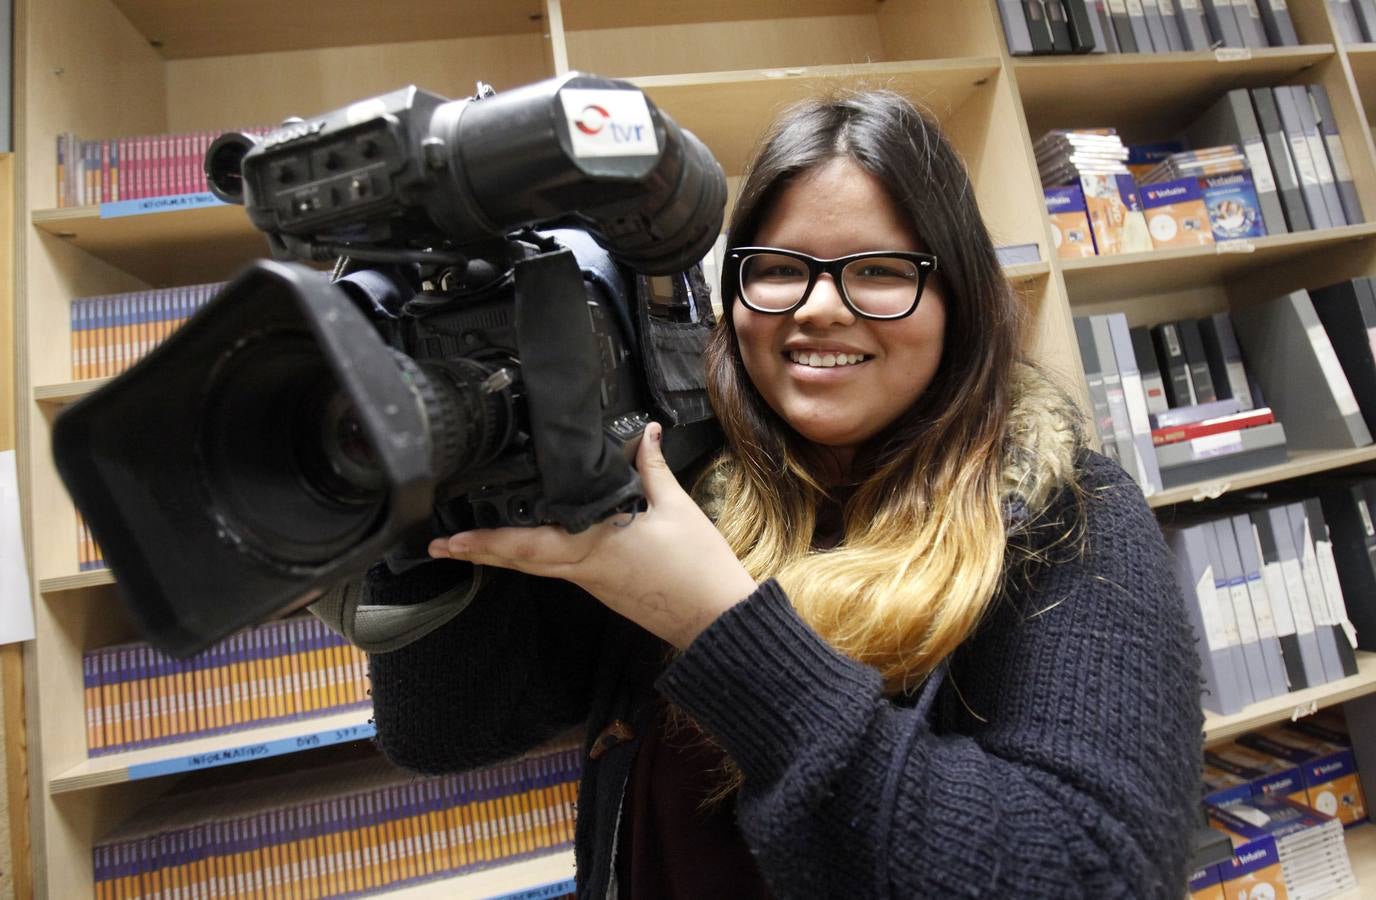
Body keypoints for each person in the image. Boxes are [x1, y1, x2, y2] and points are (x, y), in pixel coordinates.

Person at [343, 90, 1205, 898]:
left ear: (960, 299)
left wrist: (718, 627)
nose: (819, 308)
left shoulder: (1064, 514)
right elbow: (443, 735)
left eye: (877, 272)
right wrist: (426, 513)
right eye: (779, 269)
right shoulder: (675, 480)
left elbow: (1096, 873)